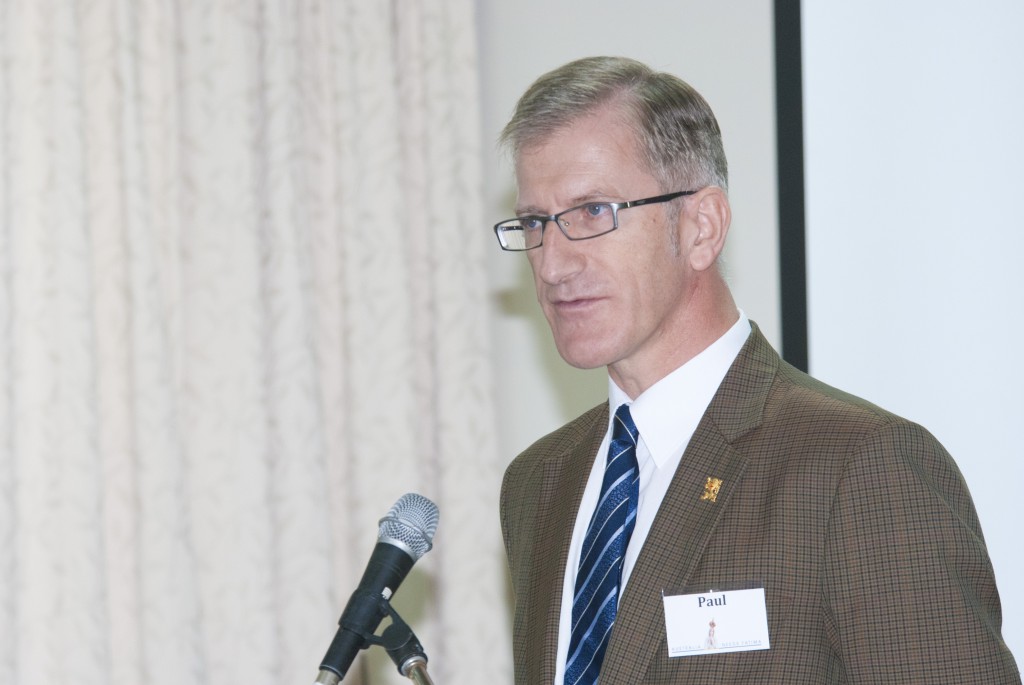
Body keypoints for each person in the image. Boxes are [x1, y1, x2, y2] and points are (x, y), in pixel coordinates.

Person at [494, 56, 1020, 684]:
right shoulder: (540, 482)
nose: (552, 265)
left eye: (592, 213)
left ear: (701, 227)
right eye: (534, 223)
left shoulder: (860, 466)